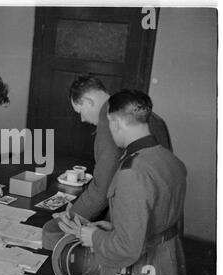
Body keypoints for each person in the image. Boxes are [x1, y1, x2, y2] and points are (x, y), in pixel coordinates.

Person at [57, 90, 188, 275]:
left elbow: (127, 248)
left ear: (115, 123)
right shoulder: (169, 159)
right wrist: (112, 226)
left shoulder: (132, 171)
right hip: (166, 262)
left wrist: (95, 238)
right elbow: (158, 215)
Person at [42, 76, 172, 250]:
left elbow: (103, 187)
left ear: (88, 101)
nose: (82, 119)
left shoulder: (109, 120)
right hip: (161, 219)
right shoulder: (149, 116)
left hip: (131, 220)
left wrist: (72, 217)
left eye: (80, 111)